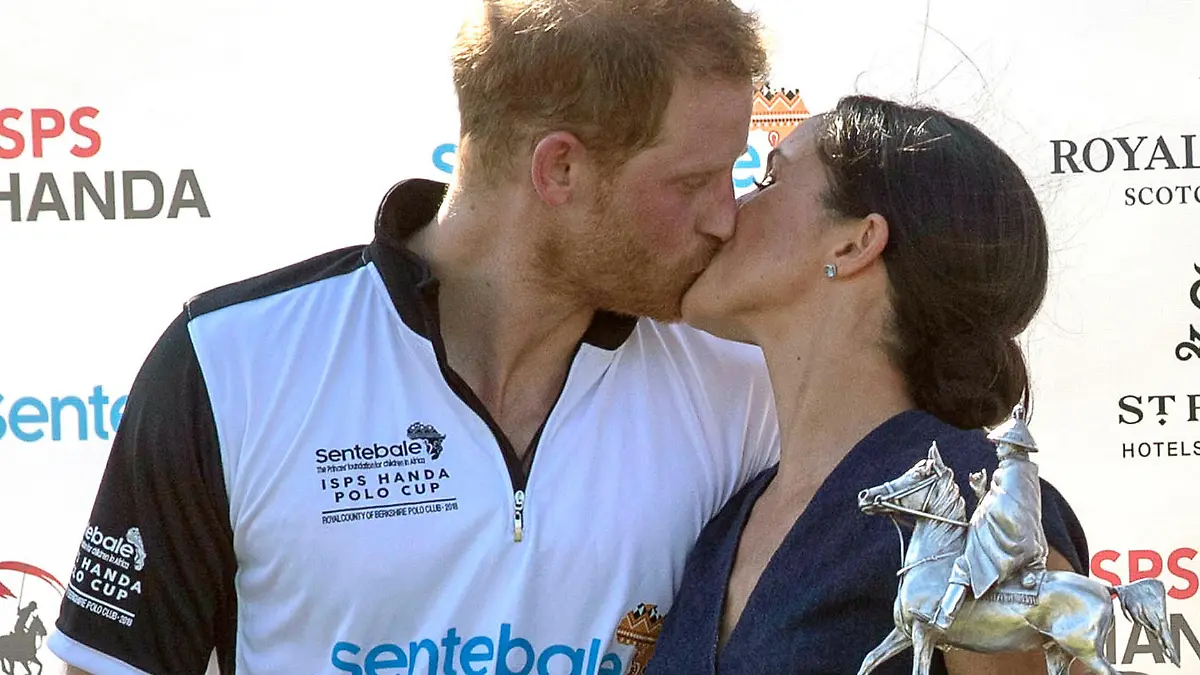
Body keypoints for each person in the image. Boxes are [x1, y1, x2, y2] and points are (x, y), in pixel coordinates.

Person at [47, 2, 779, 673]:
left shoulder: (746, 386)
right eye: (694, 183)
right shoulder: (231, 361)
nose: (726, 217)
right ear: (560, 168)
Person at [645, 96, 1089, 674]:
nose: (728, 212)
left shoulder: (971, 511)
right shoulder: (729, 519)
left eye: (769, 178)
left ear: (854, 244)